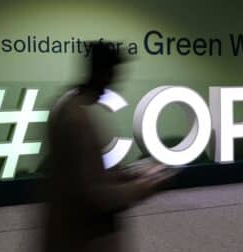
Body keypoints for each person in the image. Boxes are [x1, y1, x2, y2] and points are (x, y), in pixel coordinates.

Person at [43, 42, 165, 252]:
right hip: (82, 239)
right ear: (102, 72)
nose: (113, 84)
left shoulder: (65, 107)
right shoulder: (77, 121)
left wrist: (128, 175)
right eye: (112, 75)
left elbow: (83, 175)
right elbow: (94, 196)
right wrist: (144, 187)